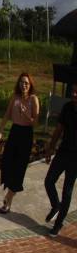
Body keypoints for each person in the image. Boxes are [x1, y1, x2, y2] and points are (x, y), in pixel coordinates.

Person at [0, 73, 39, 213]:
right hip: (15, 131)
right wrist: (0, 131)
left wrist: (26, 114)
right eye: (21, 82)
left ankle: (8, 199)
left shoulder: (34, 99)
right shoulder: (15, 97)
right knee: (8, 162)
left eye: (26, 83)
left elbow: (35, 123)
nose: (24, 85)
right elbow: (7, 114)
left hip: (26, 134)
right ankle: (9, 193)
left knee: (19, 167)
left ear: (30, 84)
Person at [43, 84, 77, 237]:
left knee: (67, 191)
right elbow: (59, 129)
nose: (74, 94)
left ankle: (58, 224)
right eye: (73, 91)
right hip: (63, 152)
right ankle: (55, 205)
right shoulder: (67, 107)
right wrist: (50, 148)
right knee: (49, 181)